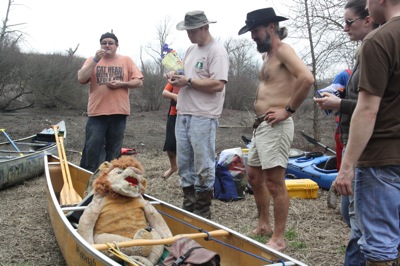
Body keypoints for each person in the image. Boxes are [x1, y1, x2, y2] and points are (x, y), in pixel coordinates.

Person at [238, 8, 314, 251]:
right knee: (254, 177)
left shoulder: (283, 50)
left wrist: (288, 110)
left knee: (274, 182)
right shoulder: (267, 56)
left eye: (255, 31)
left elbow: (306, 78)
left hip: (277, 125)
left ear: (271, 27)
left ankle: (279, 238)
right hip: (262, 126)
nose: (252, 37)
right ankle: (264, 225)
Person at [334, 0, 400, 264]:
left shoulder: (380, 40)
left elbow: (367, 109)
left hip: (381, 159)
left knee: (380, 247)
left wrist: (347, 166)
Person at [315, 1, 379, 264]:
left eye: (349, 22)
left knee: (360, 225)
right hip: (354, 145)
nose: (344, 28)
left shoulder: (376, 49)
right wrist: (341, 94)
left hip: (371, 151)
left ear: (367, 20)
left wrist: (339, 103)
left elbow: (376, 107)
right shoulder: (362, 54)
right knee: (349, 214)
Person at [165, 11, 229, 219]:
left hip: (204, 114)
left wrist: (189, 82)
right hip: (183, 112)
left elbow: (218, 84)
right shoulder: (191, 49)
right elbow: (187, 76)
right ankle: (189, 204)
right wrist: (176, 77)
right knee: (184, 162)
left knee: (203, 163)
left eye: (192, 31)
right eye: (187, 31)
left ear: (204, 28)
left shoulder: (217, 51)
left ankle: (203, 209)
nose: (189, 35)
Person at [77, 32, 144, 172]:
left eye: (110, 43)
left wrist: (122, 83)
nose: (107, 45)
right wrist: (95, 59)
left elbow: (139, 82)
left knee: (114, 148)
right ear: (100, 45)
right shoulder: (92, 59)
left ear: (116, 46)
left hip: (119, 111)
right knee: (92, 146)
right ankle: (87, 175)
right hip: (97, 111)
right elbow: (81, 78)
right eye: (104, 43)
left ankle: (111, 176)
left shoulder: (126, 60)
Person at [161, 82, 180, 179]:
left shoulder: (194, 78)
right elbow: (164, 92)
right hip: (174, 114)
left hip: (190, 114)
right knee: (170, 144)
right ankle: (173, 167)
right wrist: (174, 96)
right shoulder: (175, 78)